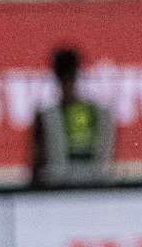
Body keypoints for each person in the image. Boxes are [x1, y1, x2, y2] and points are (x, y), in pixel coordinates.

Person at [30, 46, 113, 188]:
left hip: (61, 190)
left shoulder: (46, 117)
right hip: (94, 188)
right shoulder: (102, 113)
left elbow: (37, 165)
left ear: (56, 75)